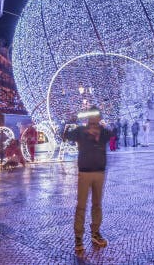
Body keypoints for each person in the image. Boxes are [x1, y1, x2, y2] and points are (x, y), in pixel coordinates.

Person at [63, 107, 112, 255]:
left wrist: (102, 129)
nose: (94, 119)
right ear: (88, 118)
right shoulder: (80, 131)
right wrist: (69, 121)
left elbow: (113, 133)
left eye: (97, 116)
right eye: (92, 116)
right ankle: (78, 237)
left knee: (97, 205)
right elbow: (64, 135)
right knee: (81, 206)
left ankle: (95, 233)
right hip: (85, 173)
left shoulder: (103, 132)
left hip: (99, 172)